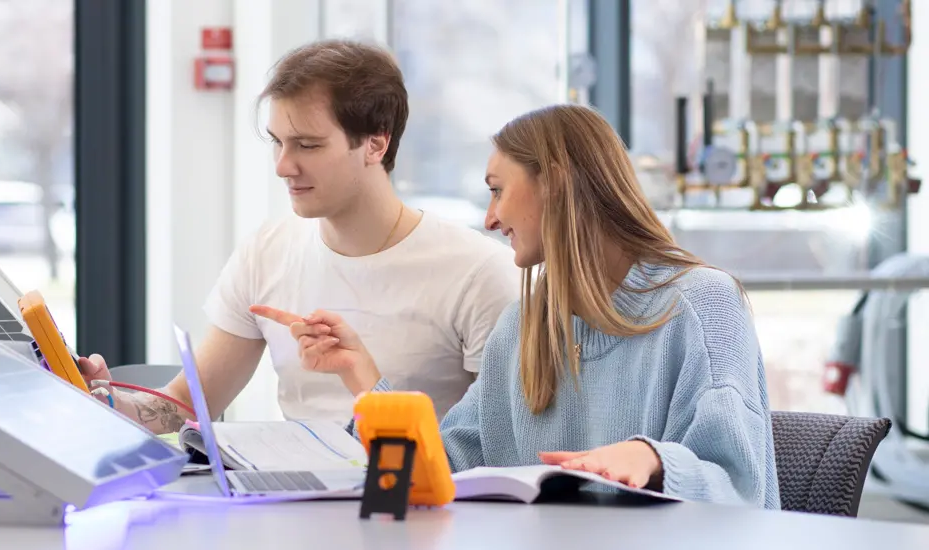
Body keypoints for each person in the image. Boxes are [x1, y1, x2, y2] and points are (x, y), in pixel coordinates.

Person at [281, 104, 781, 508]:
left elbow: (739, 486)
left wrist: (651, 458)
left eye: (497, 191)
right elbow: (447, 467)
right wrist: (361, 375)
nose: (490, 219)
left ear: (555, 183)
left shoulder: (702, 304)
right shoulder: (522, 326)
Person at [78, 39, 519, 433]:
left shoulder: (479, 272)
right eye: (278, 141)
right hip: (294, 490)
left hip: (421, 492)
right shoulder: (267, 252)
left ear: (376, 144)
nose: (283, 166)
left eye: (307, 145)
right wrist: (105, 401)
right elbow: (187, 404)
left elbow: (495, 443)